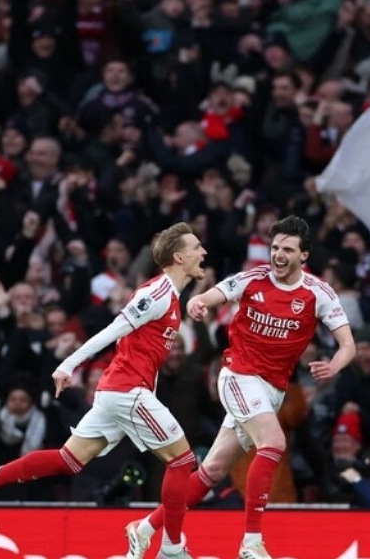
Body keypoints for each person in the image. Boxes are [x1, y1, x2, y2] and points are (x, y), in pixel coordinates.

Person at [0, 223, 208, 559]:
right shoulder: (157, 293)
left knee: (68, 460)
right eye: (196, 247)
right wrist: (68, 364)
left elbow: (139, 350)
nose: (203, 252)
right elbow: (114, 329)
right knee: (182, 460)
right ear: (179, 257)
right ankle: (171, 548)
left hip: (121, 391)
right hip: (127, 391)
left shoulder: (170, 297)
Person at [125, 215, 354, 559]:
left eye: (287, 250)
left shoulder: (318, 293)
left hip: (273, 390)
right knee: (274, 442)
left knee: (213, 471)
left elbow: (348, 346)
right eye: (275, 248)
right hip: (238, 376)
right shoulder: (252, 279)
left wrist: (333, 365)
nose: (278, 255)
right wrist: (198, 302)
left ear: (304, 255)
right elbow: (214, 294)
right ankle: (251, 541)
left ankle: (144, 528)